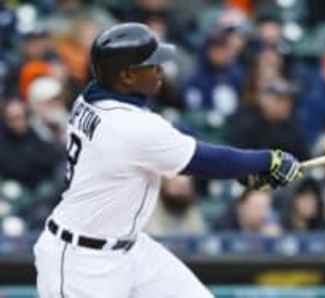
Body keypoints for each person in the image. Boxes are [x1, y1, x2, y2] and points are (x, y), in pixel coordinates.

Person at [33, 23, 302, 298]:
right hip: (82, 263)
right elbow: (205, 160)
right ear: (126, 76)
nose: (161, 70)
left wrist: (240, 171)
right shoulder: (129, 125)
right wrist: (267, 160)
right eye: (151, 65)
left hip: (131, 247)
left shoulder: (91, 96)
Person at [230, 79, 309, 160]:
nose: (286, 104)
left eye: (289, 100)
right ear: (264, 99)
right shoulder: (247, 123)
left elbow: (304, 159)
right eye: (280, 99)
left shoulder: (292, 127)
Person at [0, 100, 63, 189]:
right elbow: (13, 168)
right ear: (6, 120)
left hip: (42, 186)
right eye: (12, 119)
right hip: (16, 190)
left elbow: (53, 156)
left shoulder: (36, 133)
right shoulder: (3, 142)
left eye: (20, 117)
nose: (17, 122)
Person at [213, 189, 281, 236]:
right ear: (241, 207)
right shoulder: (224, 227)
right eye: (256, 207)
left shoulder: (270, 223)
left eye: (265, 208)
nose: (261, 213)